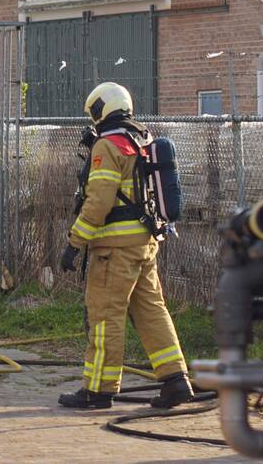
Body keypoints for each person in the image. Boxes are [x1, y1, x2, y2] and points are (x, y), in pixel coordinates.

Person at [57, 82, 194, 409]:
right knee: (151, 311)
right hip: (145, 244)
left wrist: (74, 243)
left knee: (106, 314)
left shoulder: (108, 145)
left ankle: (98, 391)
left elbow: (99, 201)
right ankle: (176, 380)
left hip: (113, 249)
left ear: (101, 109)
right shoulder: (141, 139)